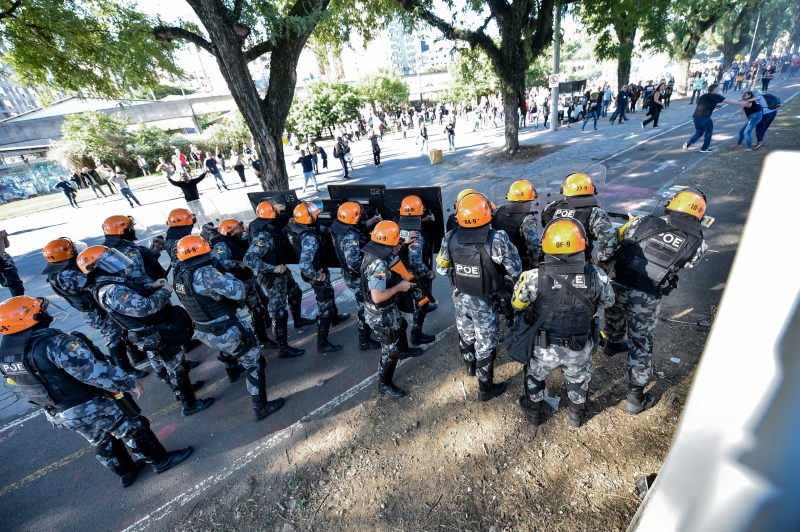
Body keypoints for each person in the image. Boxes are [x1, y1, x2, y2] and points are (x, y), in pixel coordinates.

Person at [0, 296, 193, 487]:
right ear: (28, 318)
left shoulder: (6, 355)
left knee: (100, 439)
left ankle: (126, 472)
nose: (44, 313)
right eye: (39, 311)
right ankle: (161, 461)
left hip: (59, 412)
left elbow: (18, 381)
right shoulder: (54, 343)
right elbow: (94, 373)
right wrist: (128, 383)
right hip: (87, 404)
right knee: (133, 427)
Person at [603, 190, 708, 414]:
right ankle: (633, 399)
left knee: (613, 314)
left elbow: (619, 239)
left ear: (673, 204)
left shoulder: (644, 222)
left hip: (617, 282)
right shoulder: (698, 244)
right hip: (646, 295)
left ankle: (611, 344)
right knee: (640, 343)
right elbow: (689, 264)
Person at [77, 246, 214, 417]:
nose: (114, 262)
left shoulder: (112, 282)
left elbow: (135, 295)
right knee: (177, 367)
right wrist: (164, 292)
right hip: (153, 333)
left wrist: (152, 286)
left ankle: (180, 391)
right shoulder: (112, 290)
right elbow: (144, 307)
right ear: (95, 269)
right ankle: (190, 404)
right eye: (108, 261)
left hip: (149, 333)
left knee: (166, 365)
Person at [512, 220, 615, 428]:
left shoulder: (533, 277)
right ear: (582, 244)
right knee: (579, 379)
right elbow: (607, 302)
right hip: (579, 345)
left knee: (534, 376)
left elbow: (517, 303)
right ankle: (576, 418)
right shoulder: (598, 276)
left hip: (543, 347)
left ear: (546, 245)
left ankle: (534, 414)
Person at [172, 235, 287, 420]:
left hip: (203, 329)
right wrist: (225, 274)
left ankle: (233, 372)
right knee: (255, 362)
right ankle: (261, 408)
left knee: (230, 348)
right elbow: (238, 292)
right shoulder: (206, 272)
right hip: (224, 328)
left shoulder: (179, 273)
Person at [436, 193, 522, 401]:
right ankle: (485, 389)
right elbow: (516, 269)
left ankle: (470, 368)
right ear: (487, 213)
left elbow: (440, 268)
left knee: (466, 335)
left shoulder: (450, 237)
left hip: (460, 297)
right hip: (485, 302)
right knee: (485, 345)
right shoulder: (498, 238)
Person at [42, 238, 148, 379]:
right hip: (96, 311)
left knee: (122, 329)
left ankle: (136, 355)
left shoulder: (61, 270)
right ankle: (125, 370)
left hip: (98, 307)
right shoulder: (65, 274)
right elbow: (91, 280)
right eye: (71, 249)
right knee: (114, 337)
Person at [361, 221, 422, 399]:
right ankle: (384, 384)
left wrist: (403, 241)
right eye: (398, 239)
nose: (399, 242)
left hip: (388, 308)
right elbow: (377, 296)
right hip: (380, 311)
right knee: (391, 350)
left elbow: (392, 251)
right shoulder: (378, 263)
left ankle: (405, 351)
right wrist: (400, 287)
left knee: (401, 325)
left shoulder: (377, 248)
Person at [243, 200, 309, 359]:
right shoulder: (263, 235)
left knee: (295, 292)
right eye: (276, 210)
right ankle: (283, 348)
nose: (279, 211)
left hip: (281, 271)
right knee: (279, 311)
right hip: (272, 276)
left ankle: (298, 320)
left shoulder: (266, 227)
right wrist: (273, 268)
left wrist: (287, 226)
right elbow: (249, 259)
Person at [285, 202, 351, 353]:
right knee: (324, 308)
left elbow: (315, 227)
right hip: (316, 274)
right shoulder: (309, 239)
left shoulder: (293, 227)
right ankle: (322, 343)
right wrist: (316, 276)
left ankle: (335, 318)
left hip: (314, 273)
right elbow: (304, 264)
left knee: (330, 293)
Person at [209, 219, 279, 350]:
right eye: (238, 229)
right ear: (230, 232)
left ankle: (266, 322)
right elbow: (219, 263)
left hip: (248, 276)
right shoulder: (221, 245)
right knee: (256, 309)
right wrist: (238, 264)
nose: (242, 231)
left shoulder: (234, 240)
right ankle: (262, 339)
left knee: (263, 300)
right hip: (240, 280)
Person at [330, 201, 382, 351]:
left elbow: (357, 227)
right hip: (357, 277)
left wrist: (371, 221)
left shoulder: (338, 226)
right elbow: (354, 264)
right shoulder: (350, 237)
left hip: (347, 275)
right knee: (364, 308)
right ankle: (364, 340)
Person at [540, 173, 617, 264]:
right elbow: (609, 240)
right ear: (592, 189)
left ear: (563, 189)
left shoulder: (549, 208)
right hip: (580, 265)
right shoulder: (595, 212)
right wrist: (595, 260)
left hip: (549, 262)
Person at [398, 196, 438, 346]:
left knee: (422, 300)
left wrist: (424, 220)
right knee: (422, 303)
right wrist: (429, 273)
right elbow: (416, 263)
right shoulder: (416, 235)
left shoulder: (399, 227)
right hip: (414, 275)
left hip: (402, 271)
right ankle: (416, 335)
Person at [683, 84, 746, 153]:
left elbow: (702, 103)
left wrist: (715, 105)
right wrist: (740, 103)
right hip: (705, 116)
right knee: (708, 132)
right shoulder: (715, 96)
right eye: (718, 88)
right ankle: (704, 148)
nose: (718, 89)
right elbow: (727, 100)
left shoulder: (704, 96)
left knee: (699, 132)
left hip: (696, 116)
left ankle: (688, 143)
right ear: (714, 89)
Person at [492, 180, 540, 271]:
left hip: (497, 261)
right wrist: (534, 264)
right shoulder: (527, 220)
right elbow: (533, 245)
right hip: (517, 264)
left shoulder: (499, 210)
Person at [0, 229, 24, 297]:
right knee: (17, 288)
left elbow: (6, 245)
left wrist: (4, 237)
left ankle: (18, 304)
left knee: (17, 287)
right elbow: (0, 253)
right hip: (3, 269)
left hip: (8, 266)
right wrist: (1, 239)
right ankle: (18, 305)